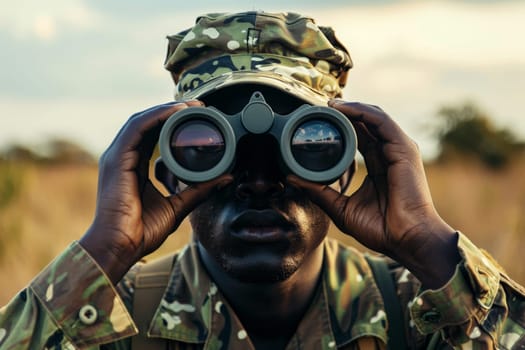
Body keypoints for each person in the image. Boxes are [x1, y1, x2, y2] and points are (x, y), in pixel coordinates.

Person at [1, 11, 524, 350]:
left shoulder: (423, 312)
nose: (258, 181)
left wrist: (427, 242)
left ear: (344, 167)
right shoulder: (112, 320)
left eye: (305, 145)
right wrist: (104, 253)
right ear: (167, 171)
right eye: (208, 147)